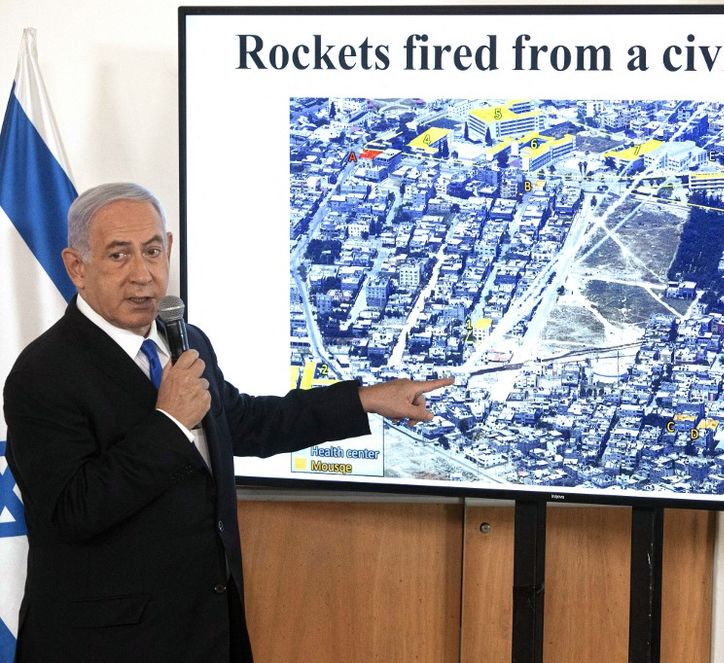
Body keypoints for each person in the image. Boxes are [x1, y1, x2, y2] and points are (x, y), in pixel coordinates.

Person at [2, 182, 452, 662]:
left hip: (205, 633)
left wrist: (363, 401)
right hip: (104, 647)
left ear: (168, 248)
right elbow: (72, 512)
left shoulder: (185, 340)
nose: (142, 274)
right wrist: (169, 423)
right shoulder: (43, 373)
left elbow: (247, 423)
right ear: (76, 266)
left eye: (152, 251)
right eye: (118, 255)